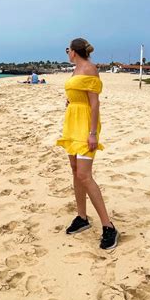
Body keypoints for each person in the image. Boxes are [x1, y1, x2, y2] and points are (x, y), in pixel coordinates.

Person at [56, 38, 118, 250]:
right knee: (75, 171)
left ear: (74, 51)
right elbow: (78, 93)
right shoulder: (75, 70)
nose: (67, 53)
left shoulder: (90, 68)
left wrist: (92, 133)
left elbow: (94, 102)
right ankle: (82, 217)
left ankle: (108, 226)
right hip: (72, 121)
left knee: (84, 175)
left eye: (68, 50)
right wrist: (71, 100)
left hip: (85, 125)